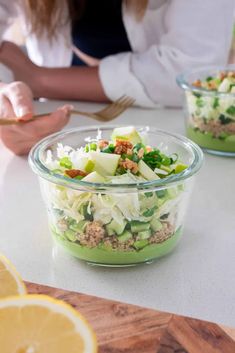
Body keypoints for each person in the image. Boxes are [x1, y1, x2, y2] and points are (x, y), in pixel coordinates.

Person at [0, 0, 234, 155]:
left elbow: (190, 72)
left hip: (173, 127)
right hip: (58, 134)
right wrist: (5, 100)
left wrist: (41, 80)